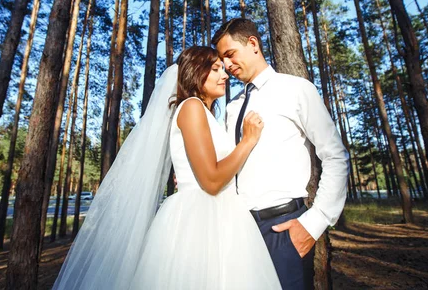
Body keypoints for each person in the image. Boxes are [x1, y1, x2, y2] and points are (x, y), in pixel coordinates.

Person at [53, 46, 281, 289]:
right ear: (195, 72)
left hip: (223, 217)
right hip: (201, 222)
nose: (224, 75)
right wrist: (247, 141)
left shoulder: (203, 113)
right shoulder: (192, 107)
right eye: (215, 69)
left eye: (223, 69)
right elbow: (212, 181)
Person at [212, 18, 349, 290]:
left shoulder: (297, 89)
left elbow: (335, 156)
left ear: (253, 44)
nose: (226, 66)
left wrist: (314, 223)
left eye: (229, 55)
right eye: (221, 59)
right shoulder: (231, 107)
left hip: (283, 230)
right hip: (239, 232)